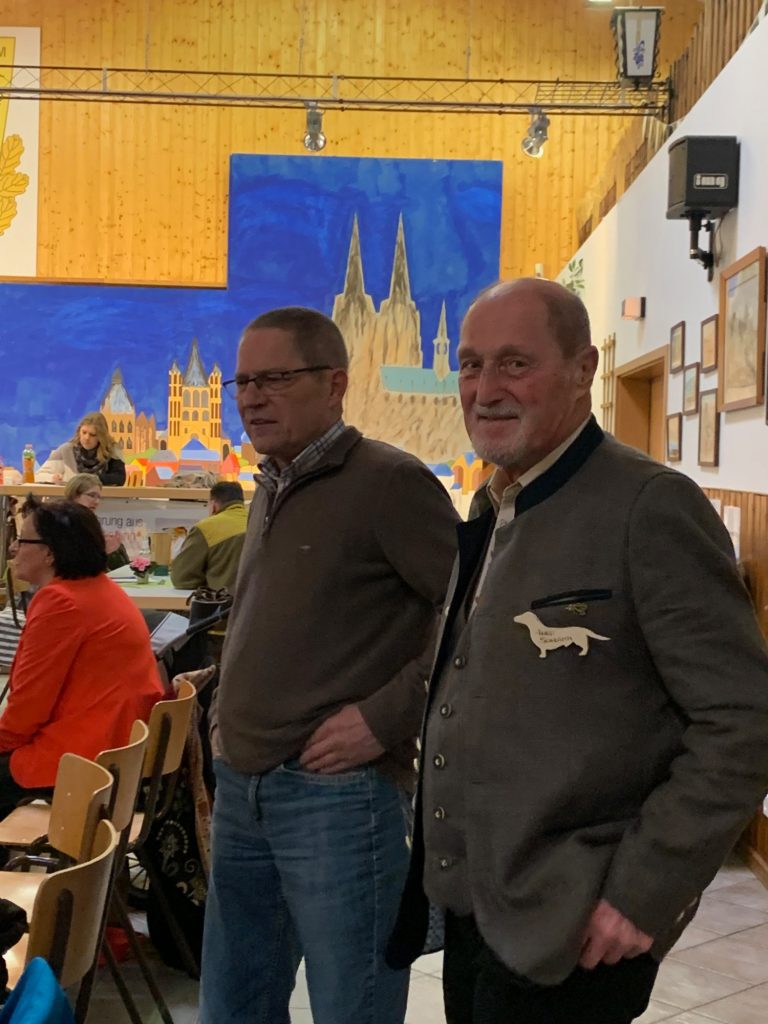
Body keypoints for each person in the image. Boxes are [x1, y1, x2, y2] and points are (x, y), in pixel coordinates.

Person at [386, 278, 768, 1024]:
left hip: (574, 927)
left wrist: (643, 894)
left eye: (515, 364)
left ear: (583, 369)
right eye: (470, 366)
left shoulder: (649, 506)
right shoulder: (494, 502)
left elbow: (744, 721)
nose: (485, 390)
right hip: (476, 910)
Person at [199, 307, 459, 1024]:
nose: (252, 398)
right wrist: (222, 714)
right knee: (233, 1007)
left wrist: (388, 717)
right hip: (243, 788)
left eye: (275, 379)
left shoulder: (390, 482)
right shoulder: (271, 483)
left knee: (353, 1008)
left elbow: (477, 615)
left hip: (337, 798)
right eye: (243, 382)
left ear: (336, 384)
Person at [0, 498, 164, 817]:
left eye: (21, 540)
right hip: (117, 749)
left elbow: (28, 707)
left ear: (49, 553)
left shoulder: (61, 603)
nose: (13, 548)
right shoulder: (101, 589)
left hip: (82, 757)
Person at [170, 480, 247, 592]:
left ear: (213, 505)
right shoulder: (261, 523)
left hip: (222, 599)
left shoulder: (205, 528)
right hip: (259, 599)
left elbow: (181, 578)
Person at [64, 472, 129, 570]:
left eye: (99, 497)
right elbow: (72, 561)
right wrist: (103, 550)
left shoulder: (90, 521)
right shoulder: (62, 522)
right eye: (92, 495)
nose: (97, 502)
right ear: (74, 495)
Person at [39, 412, 126, 485]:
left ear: (101, 437)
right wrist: (52, 478)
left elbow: (120, 478)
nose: (86, 438)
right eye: (84, 432)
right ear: (79, 431)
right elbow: (39, 475)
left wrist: (94, 479)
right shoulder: (66, 450)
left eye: (92, 435)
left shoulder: (111, 450)